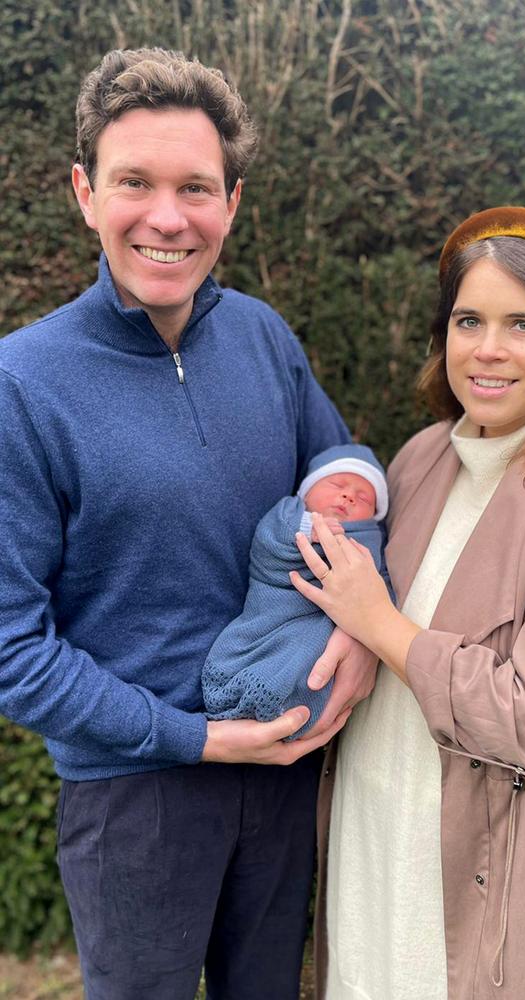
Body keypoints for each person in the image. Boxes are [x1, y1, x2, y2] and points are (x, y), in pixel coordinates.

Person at [0, 47, 379, 1000]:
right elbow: (11, 648)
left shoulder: (263, 337)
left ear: (232, 204)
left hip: (290, 770)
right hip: (135, 797)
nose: (167, 217)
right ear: (86, 192)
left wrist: (367, 638)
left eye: (196, 188)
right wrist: (197, 738)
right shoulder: (21, 386)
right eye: (135, 182)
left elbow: (350, 496)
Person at [291, 207, 525, 1000]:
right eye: (468, 320)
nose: (488, 349)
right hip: (375, 830)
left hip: (507, 866)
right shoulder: (422, 457)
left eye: (523, 324)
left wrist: (375, 619)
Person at [203, 444, 388, 738]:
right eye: (337, 484)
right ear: (307, 491)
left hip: (323, 625)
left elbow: (382, 585)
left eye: (363, 496)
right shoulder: (290, 512)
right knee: (271, 649)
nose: (348, 495)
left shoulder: (372, 539)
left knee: (311, 659)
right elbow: (267, 543)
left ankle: (295, 712)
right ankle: (241, 693)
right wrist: (307, 529)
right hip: (278, 607)